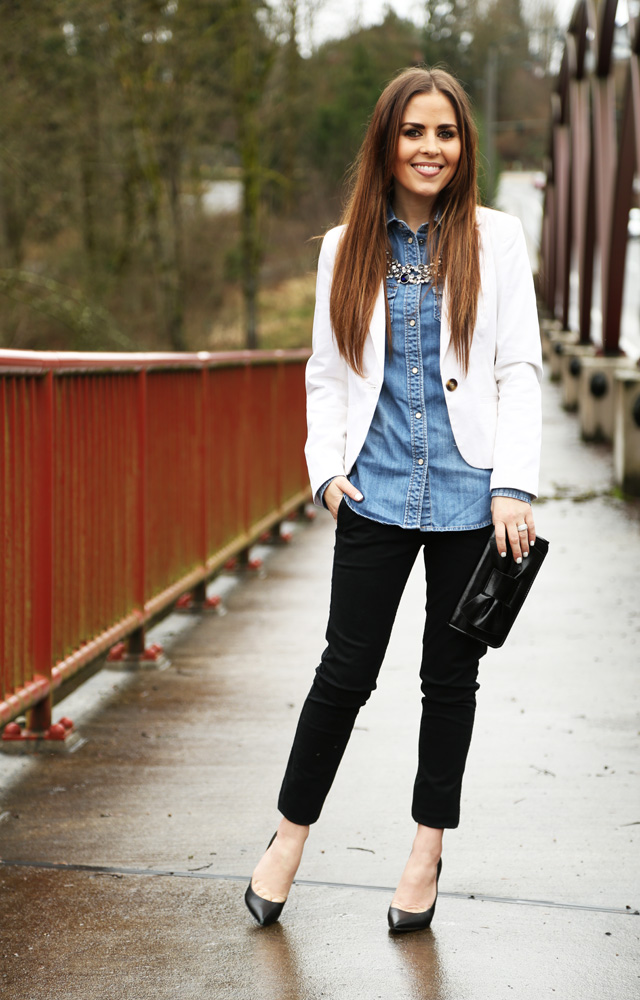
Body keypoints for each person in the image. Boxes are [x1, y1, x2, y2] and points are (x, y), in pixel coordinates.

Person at [245, 65, 542, 932]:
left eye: (446, 133)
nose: (430, 148)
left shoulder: (499, 238)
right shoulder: (347, 247)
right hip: (373, 493)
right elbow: (327, 374)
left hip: (469, 497)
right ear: (387, 140)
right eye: (415, 132)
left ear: (464, 146)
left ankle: (425, 853)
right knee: (344, 673)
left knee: (449, 682)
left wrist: (513, 487)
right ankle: (289, 837)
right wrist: (326, 477)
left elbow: (518, 370)